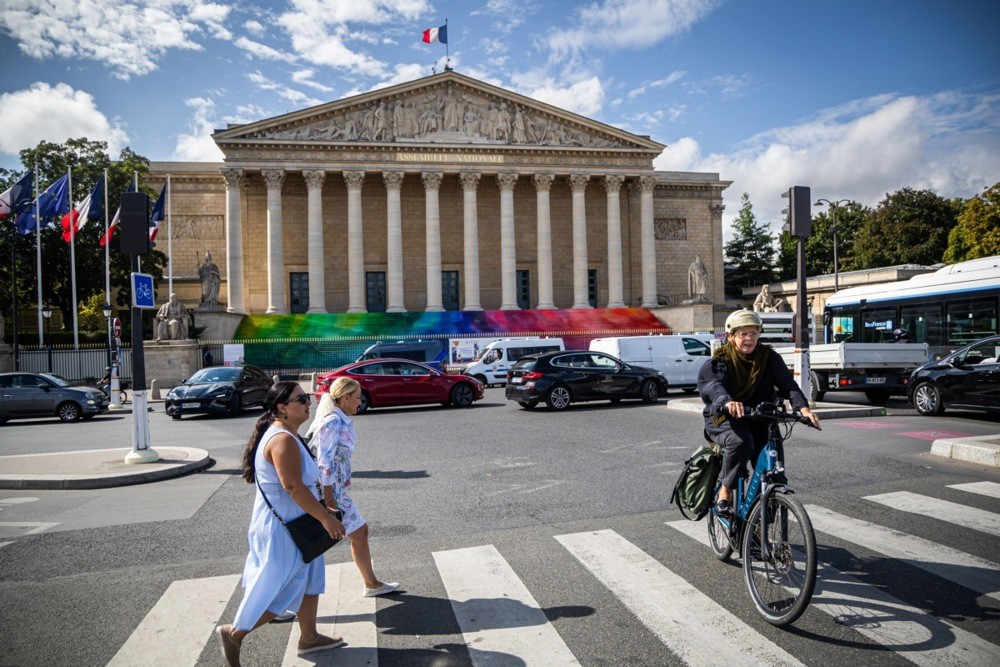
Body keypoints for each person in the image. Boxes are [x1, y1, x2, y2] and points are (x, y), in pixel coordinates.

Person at [215, 382, 346, 666]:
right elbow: (293, 487)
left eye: (307, 397)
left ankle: (309, 637)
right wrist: (325, 518)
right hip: (284, 531)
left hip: (300, 523)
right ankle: (235, 633)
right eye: (301, 398)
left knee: (311, 581)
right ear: (282, 407)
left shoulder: (289, 434)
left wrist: (322, 507)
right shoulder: (282, 440)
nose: (308, 402)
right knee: (281, 591)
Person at [696, 309, 821, 518]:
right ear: (731, 336)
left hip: (762, 418)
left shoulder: (769, 357)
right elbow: (713, 386)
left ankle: (762, 518)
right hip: (727, 418)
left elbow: (789, 386)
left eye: (754, 333)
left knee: (775, 471)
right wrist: (727, 402)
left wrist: (803, 409)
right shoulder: (719, 361)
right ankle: (725, 492)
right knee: (741, 442)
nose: (749, 338)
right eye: (743, 334)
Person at [312, 377, 400, 598]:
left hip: (338, 491)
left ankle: (371, 584)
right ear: (345, 397)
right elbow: (324, 463)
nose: (360, 402)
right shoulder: (333, 422)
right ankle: (278, 601)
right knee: (309, 547)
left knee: (360, 532)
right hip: (330, 493)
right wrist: (329, 498)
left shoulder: (341, 421)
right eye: (357, 397)